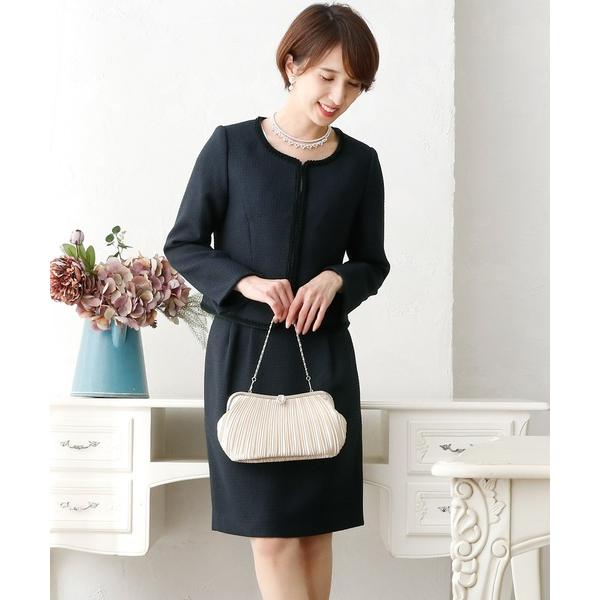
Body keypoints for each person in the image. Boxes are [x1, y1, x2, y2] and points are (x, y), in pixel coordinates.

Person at [163, 3, 390, 599]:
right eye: (328, 77)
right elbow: (183, 243)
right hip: (245, 359)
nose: (339, 96)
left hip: (323, 356)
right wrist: (246, 282)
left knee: (316, 531)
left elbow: (372, 262)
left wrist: (337, 279)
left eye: (354, 85)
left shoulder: (360, 164)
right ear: (292, 65)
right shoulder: (231, 147)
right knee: (271, 535)